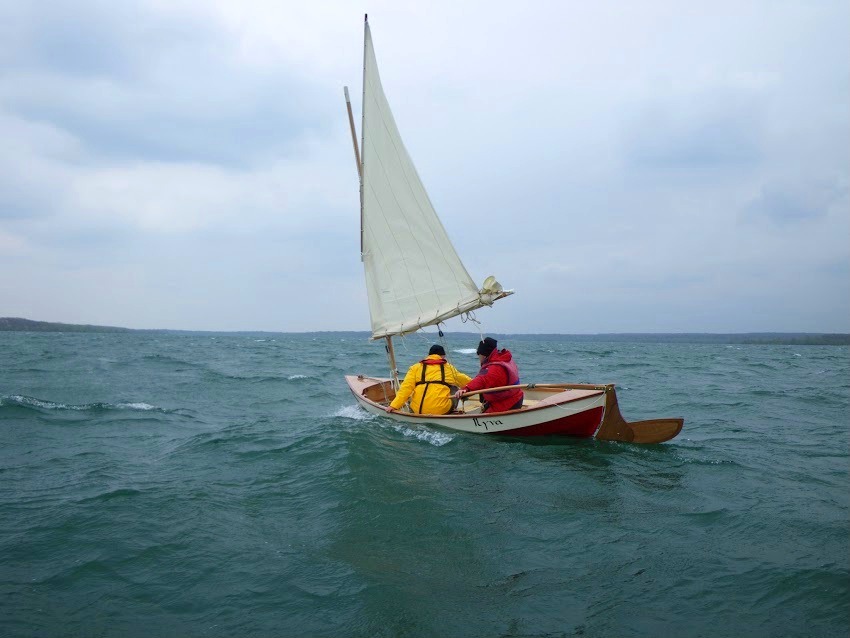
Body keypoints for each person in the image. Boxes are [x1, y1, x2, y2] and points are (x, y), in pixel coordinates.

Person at [388, 345, 472, 415]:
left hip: (418, 411)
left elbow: (405, 388)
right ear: (442, 356)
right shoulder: (448, 368)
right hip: (440, 411)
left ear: (429, 355)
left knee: (413, 390)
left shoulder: (415, 367)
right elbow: (467, 381)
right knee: (455, 388)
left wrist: (393, 406)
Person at [454, 337, 523, 413]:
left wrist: (465, 389)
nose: (479, 358)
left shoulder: (493, 368)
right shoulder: (505, 359)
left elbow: (481, 379)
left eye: (479, 355)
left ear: (483, 355)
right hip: (517, 397)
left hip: (506, 404)